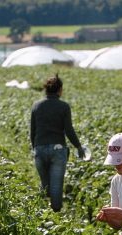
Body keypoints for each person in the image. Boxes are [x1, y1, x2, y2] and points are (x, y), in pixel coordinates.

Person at [31, 74, 85, 212]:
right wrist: (78, 146)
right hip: (58, 149)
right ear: (59, 90)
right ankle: (55, 214)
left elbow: (33, 130)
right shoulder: (63, 107)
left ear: (46, 90)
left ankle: (42, 212)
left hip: (40, 148)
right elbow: (68, 130)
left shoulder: (37, 106)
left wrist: (35, 148)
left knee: (45, 185)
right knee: (56, 185)